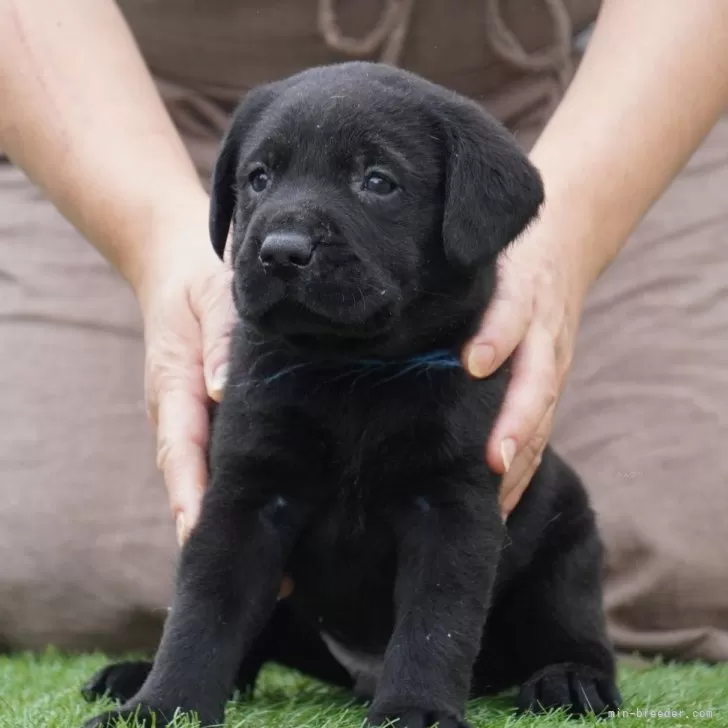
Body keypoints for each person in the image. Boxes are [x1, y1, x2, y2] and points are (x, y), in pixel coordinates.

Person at [1, 0, 727, 660]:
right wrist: (154, 240)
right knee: (64, 569)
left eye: (373, 182)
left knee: (683, 561)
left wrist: (570, 238)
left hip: (593, 91)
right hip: (132, 98)